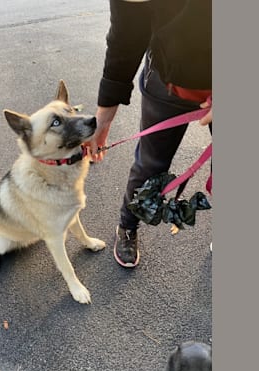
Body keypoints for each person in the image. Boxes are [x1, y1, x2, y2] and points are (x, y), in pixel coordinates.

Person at [84, 0, 212, 268]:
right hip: (165, 81)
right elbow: (126, 36)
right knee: (149, 166)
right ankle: (127, 226)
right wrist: (104, 116)